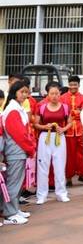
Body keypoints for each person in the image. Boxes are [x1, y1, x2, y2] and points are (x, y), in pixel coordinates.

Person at [1, 81, 36, 225]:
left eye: (26, 92)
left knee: (17, 182)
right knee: (13, 183)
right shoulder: (13, 110)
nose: (25, 95)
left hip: (18, 150)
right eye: (22, 91)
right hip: (16, 150)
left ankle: (14, 209)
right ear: (14, 92)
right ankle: (10, 214)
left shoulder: (17, 108)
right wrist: (30, 148)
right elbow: (20, 134)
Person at [34, 82, 71, 204]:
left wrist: (63, 129)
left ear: (60, 94)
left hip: (59, 138)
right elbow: (36, 124)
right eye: (52, 93)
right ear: (48, 95)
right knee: (43, 167)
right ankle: (41, 195)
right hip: (45, 138)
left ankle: (61, 193)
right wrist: (45, 126)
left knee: (60, 166)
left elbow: (70, 122)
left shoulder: (65, 107)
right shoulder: (42, 107)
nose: (54, 96)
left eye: (57, 93)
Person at [60, 75, 83, 186]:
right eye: (71, 84)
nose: (73, 86)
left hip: (81, 129)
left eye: (75, 85)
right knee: (69, 154)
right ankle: (68, 177)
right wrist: (77, 112)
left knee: (82, 152)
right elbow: (63, 113)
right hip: (68, 130)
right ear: (68, 84)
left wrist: (76, 113)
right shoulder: (62, 97)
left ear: (79, 85)